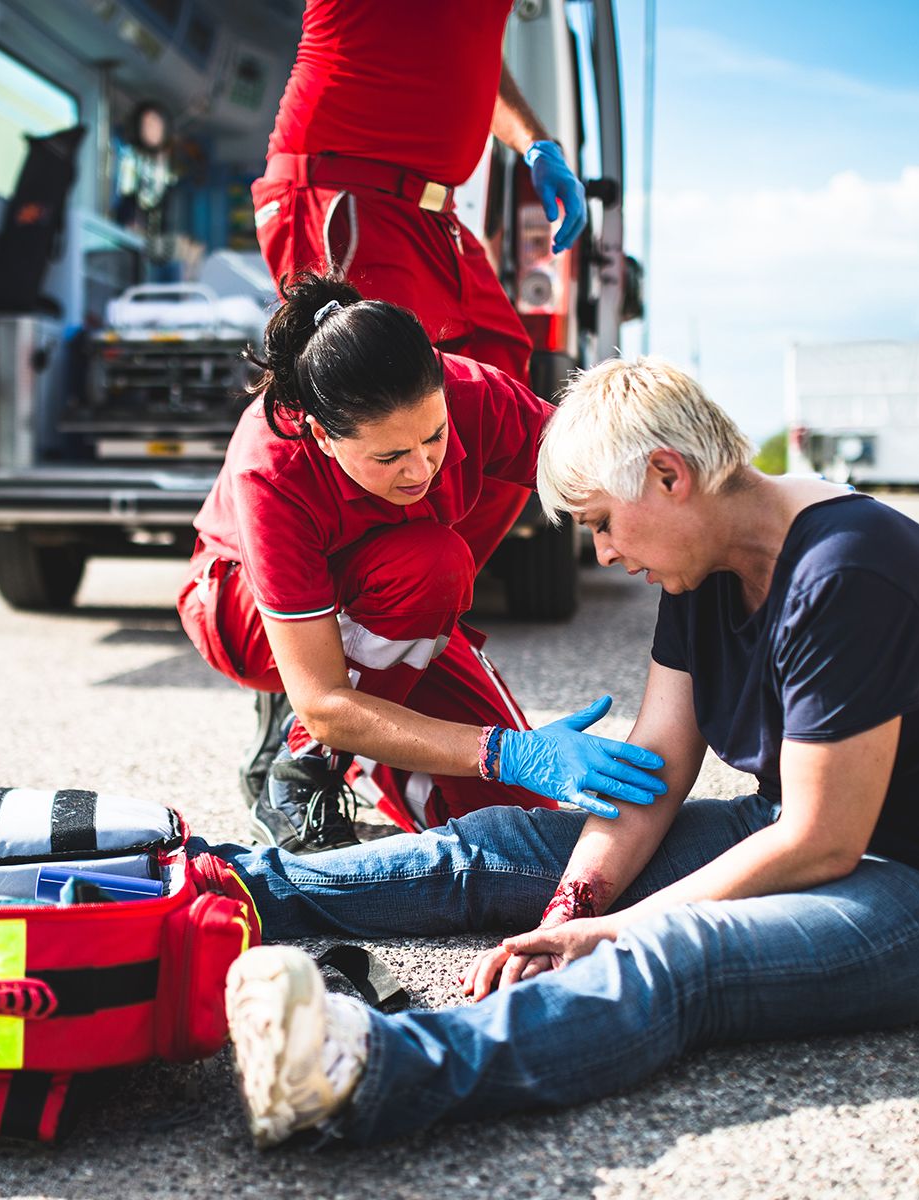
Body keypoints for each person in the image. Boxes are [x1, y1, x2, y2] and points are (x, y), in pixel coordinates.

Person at [203, 357, 919, 1147]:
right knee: (511, 845)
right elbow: (656, 768)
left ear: (669, 475)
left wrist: (610, 930)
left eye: (603, 523)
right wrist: (574, 904)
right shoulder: (704, 559)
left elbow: (824, 838)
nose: (604, 552)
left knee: (674, 954)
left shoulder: (848, 572)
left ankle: (368, 1071)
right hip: (799, 827)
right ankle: (226, 889)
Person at [237, 0, 591, 813]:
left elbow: (467, 40)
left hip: (435, 208)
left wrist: (531, 138)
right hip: (345, 176)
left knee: (496, 384)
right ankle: (309, 711)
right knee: (375, 408)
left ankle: (409, 628)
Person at [177, 273, 667, 853]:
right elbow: (325, 704)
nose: (421, 470)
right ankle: (305, 762)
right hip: (246, 613)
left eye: (434, 438)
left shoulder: (474, 393)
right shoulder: (273, 464)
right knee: (431, 566)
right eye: (389, 456)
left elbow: (603, 471)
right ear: (322, 436)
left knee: (522, 827)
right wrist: (503, 751)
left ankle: (369, 735)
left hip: (396, 611)